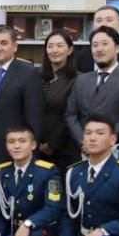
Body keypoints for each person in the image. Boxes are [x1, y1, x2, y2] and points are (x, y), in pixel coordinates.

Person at [0, 25, 44, 164]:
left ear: (14, 46)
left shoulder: (28, 73)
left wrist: (31, 154)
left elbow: (34, 118)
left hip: (15, 152)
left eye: (4, 43)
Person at [65, 27, 119, 145]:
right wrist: (84, 140)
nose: (99, 49)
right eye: (95, 45)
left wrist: (105, 138)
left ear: (117, 48)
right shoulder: (81, 80)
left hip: (115, 146)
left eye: (104, 44)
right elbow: (71, 114)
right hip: (83, 147)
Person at [39, 31, 81, 168]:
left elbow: (72, 115)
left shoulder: (78, 80)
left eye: (59, 45)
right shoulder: (38, 77)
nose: (54, 50)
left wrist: (51, 144)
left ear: (70, 50)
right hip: (35, 148)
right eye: (50, 46)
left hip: (63, 149)